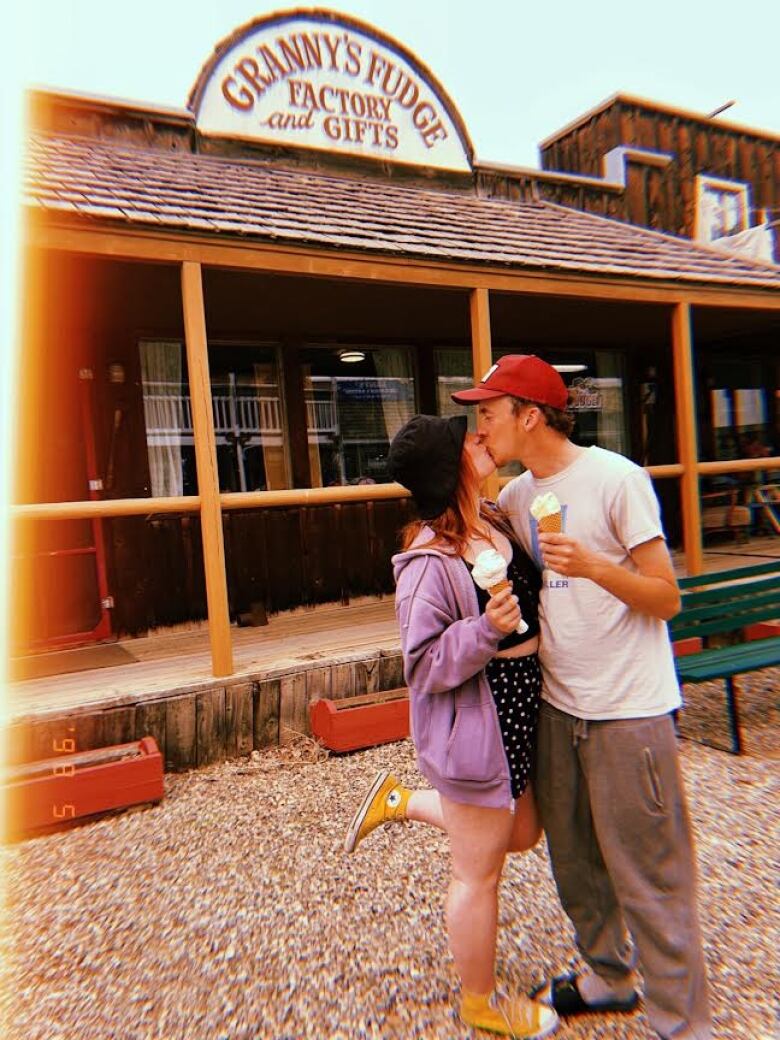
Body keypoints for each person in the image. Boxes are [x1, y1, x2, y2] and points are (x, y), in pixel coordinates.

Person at [452, 355, 712, 1040]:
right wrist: (474, 475)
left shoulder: (617, 480)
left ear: (529, 415)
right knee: (574, 859)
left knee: (649, 868)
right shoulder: (514, 497)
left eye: (488, 413)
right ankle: (608, 976)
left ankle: (681, 1023)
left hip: (629, 709)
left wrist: (593, 564)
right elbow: (463, 531)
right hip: (557, 708)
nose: (479, 427)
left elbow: (667, 597)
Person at [344, 413, 559, 1040]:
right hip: (475, 725)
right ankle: (481, 1004)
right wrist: (484, 630)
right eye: (466, 439)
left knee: (522, 830)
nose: (480, 439)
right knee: (477, 872)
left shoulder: (491, 520)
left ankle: (400, 801)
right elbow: (423, 664)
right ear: (450, 469)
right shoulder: (426, 563)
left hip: (518, 709)